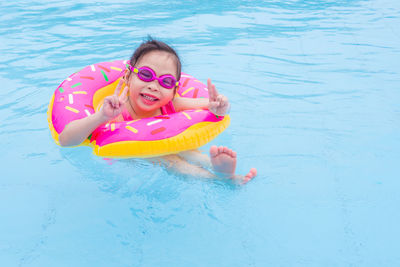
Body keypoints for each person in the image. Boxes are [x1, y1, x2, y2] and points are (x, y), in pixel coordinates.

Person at [59, 38, 257, 184]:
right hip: (134, 156)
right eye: (146, 75)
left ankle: (217, 167)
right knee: (170, 160)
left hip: (165, 146)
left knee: (188, 150)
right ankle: (216, 178)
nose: (154, 86)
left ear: (174, 89)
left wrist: (221, 106)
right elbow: (66, 141)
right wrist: (101, 116)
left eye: (166, 81)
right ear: (127, 77)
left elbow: (209, 105)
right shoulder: (114, 109)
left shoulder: (172, 103)